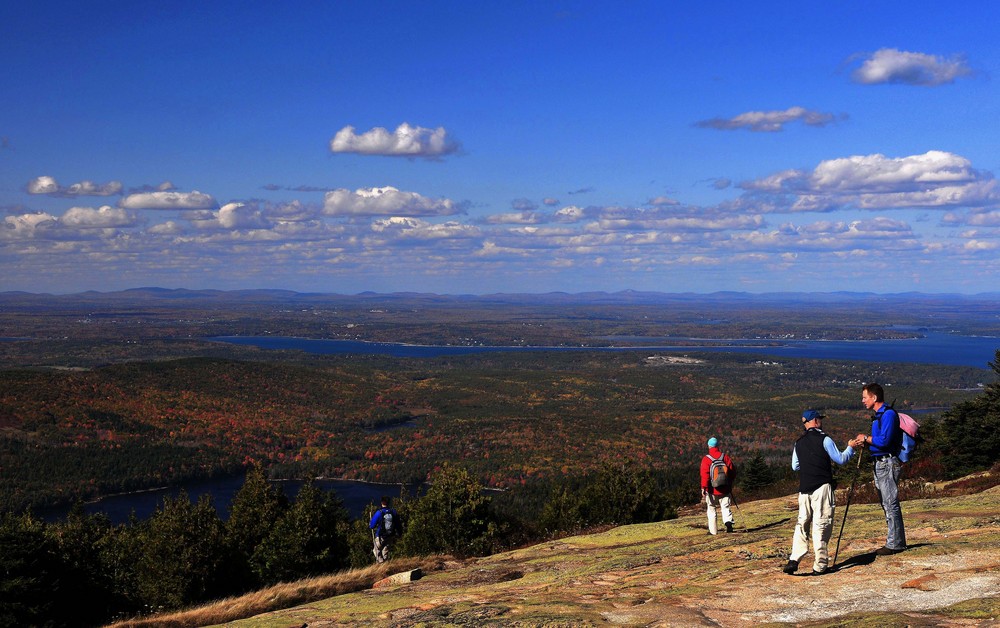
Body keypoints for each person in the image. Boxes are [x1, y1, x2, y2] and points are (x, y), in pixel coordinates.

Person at [782, 410, 859, 575]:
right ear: (815, 421)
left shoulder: (799, 442)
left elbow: (795, 466)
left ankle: (795, 558)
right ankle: (820, 565)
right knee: (821, 524)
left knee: (802, 524)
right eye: (819, 419)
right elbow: (841, 459)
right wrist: (851, 448)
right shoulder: (825, 439)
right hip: (822, 487)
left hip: (804, 490)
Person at [855, 382, 907, 555]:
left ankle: (895, 544)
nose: (863, 400)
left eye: (865, 397)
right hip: (880, 462)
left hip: (887, 463)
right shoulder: (880, 415)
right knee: (886, 502)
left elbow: (884, 441)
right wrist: (867, 441)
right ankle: (895, 540)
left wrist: (867, 438)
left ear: (874, 397)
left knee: (890, 502)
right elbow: (879, 441)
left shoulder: (888, 415)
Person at [700, 437, 736, 534]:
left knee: (711, 509)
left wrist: (704, 487)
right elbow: (732, 471)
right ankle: (728, 523)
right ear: (718, 446)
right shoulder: (725, 457)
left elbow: (705, 475)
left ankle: (713, 531)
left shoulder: (706, 459)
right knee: (725, 507)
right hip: (725, 488)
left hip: (712, 490)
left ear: (709, 446)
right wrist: (729, 483)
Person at [369, 496, 399, 563]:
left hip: (381, 536)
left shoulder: (379, 513)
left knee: (376, 550)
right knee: (385, 552)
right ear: (388, 503)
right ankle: (385, 566)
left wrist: (371, 522)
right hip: (390, 535)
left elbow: (372, 526)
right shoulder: (393, 512)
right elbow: (398, 524)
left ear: (381, 502)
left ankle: (381, 564)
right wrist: (399, 533)